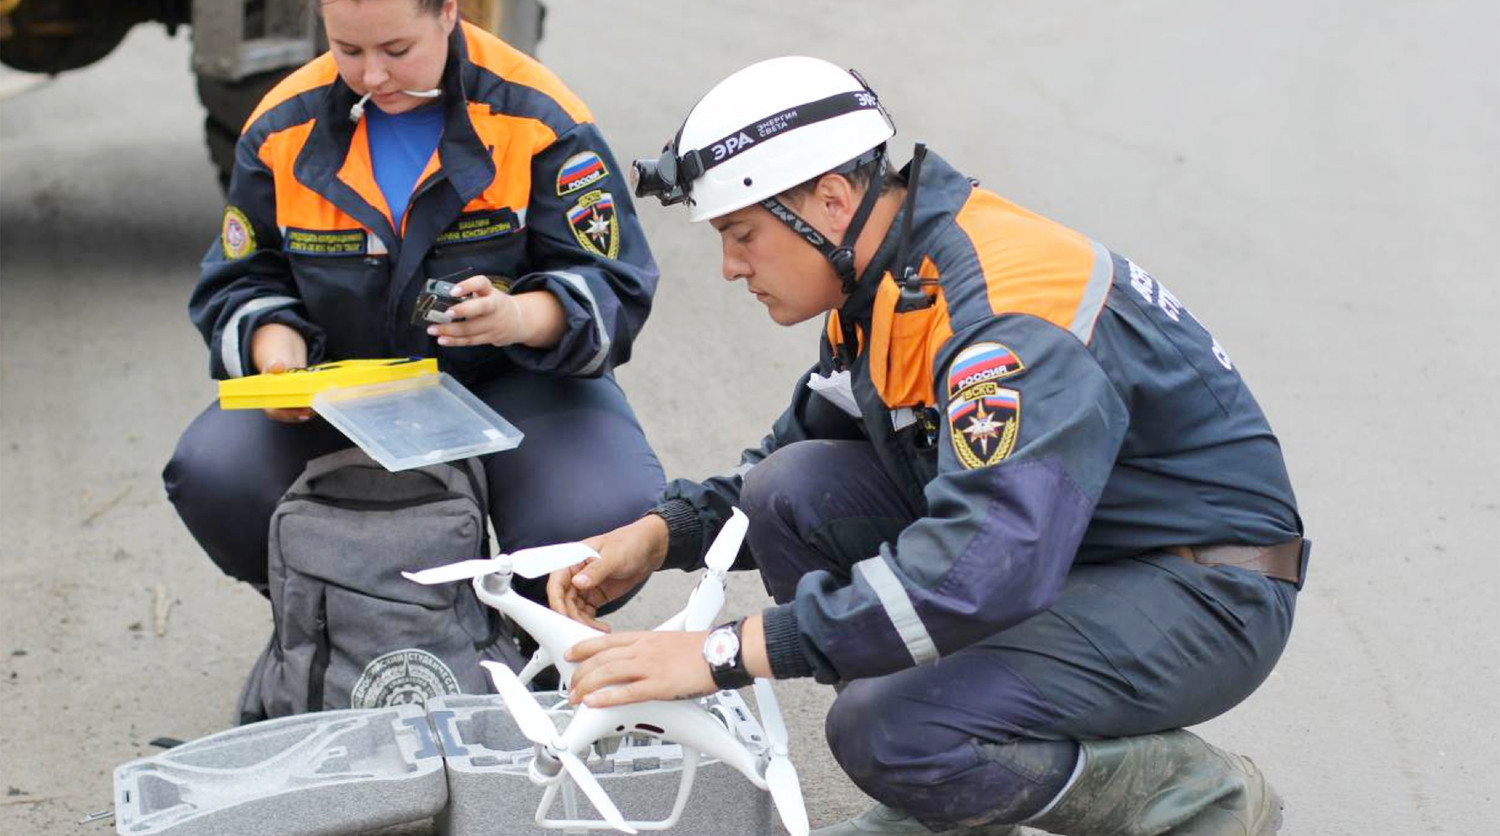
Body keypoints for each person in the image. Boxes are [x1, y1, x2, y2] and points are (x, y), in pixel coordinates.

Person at [548, 56, 1307, 836]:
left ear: (833, 202)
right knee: (791, 489)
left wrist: (721, 654)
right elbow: (789, 461)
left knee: (886, 727)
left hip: (1204, 592)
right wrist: (663, 532)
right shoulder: (884, 286)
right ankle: (946, 779)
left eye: (742, 235)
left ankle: (1191, 798)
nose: (731, 266)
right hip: (1077, 547)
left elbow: (985, 565)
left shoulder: (1000, 316)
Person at [164, 0, 663, 609]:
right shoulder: (280, 128)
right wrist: (276, 357)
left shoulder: (534, 114)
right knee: (216, 471)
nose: (373, 76)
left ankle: (533, 629)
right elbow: (243, 277)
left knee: (602, 514)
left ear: (449, 12)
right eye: (348, 50)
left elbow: (613, 280)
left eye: (396, 51)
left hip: (511, 383)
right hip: (349, 396)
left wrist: (517, 317)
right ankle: (337, 611)